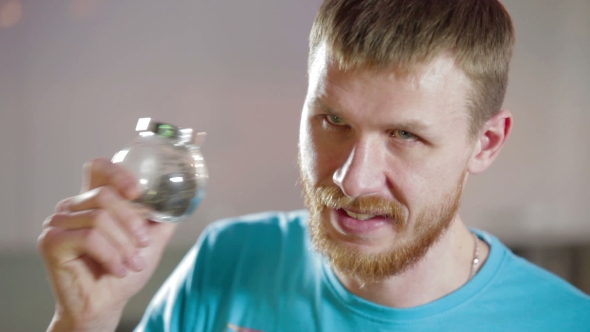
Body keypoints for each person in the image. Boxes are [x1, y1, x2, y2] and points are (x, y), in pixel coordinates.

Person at [38, 0, 590, 331]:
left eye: (404, 136)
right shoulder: (226, 263)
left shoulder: (563, 323)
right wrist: (85, 319)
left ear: (486, 142)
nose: (351, 179)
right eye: (332, 121)